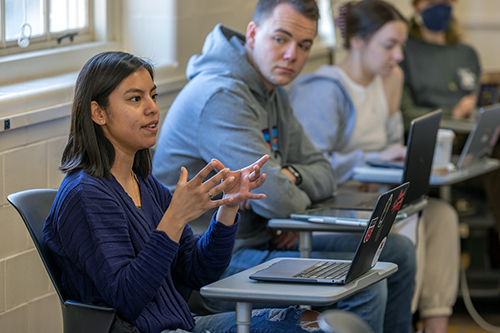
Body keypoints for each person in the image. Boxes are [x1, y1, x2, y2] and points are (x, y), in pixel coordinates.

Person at [152, 1, 416, 332]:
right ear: (252, 34)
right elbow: (278, 198)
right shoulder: (221, 96)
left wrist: (292, 177)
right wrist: (283, 189)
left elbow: (323, 171)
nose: (292, 54)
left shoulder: (272, 90)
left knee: (397, 252)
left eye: (304, 45)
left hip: (263, 239)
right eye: (280, 39)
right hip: (209, 258)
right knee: (366, 288)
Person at [42, 51, 330, 333]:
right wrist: (175, 218)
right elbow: (126, 299)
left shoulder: (144, 183)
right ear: (98, 113)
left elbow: (198, 272)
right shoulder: (85, 194)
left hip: (183, 324)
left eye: (152, 96)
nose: (152, 108)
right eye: (135, 99)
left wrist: (227, 208)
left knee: (310, 322)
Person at [289, 1, 459, 333]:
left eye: (401, 46)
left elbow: (392, 144)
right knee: (408, 222)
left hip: (373, 198)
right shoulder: (325, 89)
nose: (397, 56)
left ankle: (436, 324)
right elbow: (312, 169)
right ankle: (403, 322)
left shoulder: (389, 78)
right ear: (358, 41)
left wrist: (390, 161)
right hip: (335, 206)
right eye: (389, 45)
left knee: (443, 217)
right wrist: (367, 164)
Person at [400, 0, 481, 129]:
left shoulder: (467, 54)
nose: (439, 9)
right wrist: (452, 113)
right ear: (416, 6)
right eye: (432, 3)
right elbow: (405, 115)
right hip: (429, 135)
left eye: (445, 3)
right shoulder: (402, 52)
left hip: (467, 133)